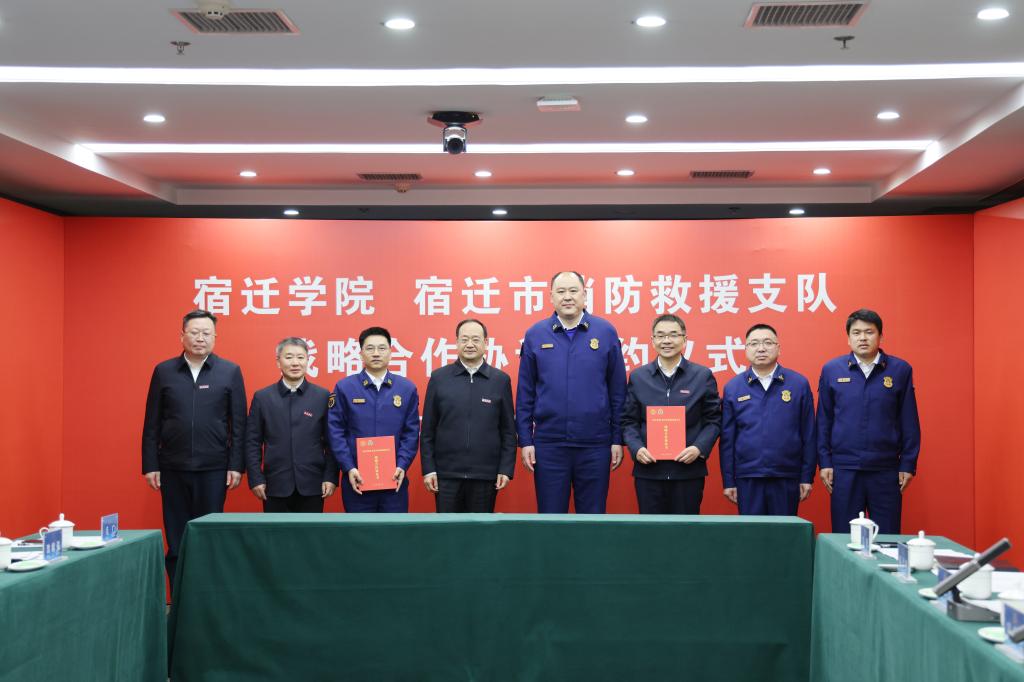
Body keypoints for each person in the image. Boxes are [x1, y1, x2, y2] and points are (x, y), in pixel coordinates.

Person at [141, 309, 246, 580]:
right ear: (182, 335)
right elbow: (152, 422)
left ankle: (207, 593)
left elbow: (238, 424)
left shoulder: (230, 371)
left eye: (206, 333)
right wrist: (150, 465)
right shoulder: (164, 371)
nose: (200, 338)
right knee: (176, 537)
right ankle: (179, 596)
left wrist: (236, 465)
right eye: (195, 332)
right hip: (172, 467)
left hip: (214, 468)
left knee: (210, 535)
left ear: (215, 337)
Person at [516, 271, 626, 513]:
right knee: (551, 518)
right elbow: (525, 393)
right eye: (561, 291)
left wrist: (617, 438)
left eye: (573, 291)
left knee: (593, 517)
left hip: (595, 444)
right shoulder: (535, 334)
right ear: (551, 297)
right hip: (549, 445)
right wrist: (525, 440)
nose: (567, 297)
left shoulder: (605, 332)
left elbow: (618, 392)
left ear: (585, 295)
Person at [817, 309, 921, 534]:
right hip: (844, 469)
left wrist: (908, 463)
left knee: (887, 536)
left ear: (880, 336)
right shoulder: (832, 370)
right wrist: (824, 462)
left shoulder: (900, 370)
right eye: (856, 333)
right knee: (845, 537)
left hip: (886, 469)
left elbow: (909, 420)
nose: (862, 338)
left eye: (869, 332)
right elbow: (824, 420)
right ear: (848, 338)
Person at [622, 314, 721, 514]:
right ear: (653, 341)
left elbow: (714, 420)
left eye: (673, 335)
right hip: (649, 471)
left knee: (686, 529)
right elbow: (628, 421)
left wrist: (698, 448)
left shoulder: (702, 376)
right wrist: (637, 448)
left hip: (688, 471)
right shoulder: (639, 377)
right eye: (660, 335)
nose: (667, 341)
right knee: (651, 529)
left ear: (684, 339)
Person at [421, 319, 516, 512]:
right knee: (446, 529)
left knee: (480, 529)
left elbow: (508, 431)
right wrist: (429, 469)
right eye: (464, 339)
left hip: (485, 476)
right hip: (446, 475)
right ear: (456, 342)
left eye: (475, 339)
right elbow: (428, 430)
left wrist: (505, 469)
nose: (470, 344)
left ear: (486, 343)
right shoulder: (439, 378)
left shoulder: (500, 380)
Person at [720, 324, 815, 515]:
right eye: (754, 343)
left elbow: (809, 434)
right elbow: (727, 440)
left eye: (768, 343)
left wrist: (807, 476)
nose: (761, 348)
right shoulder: (733, 387)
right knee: (752, 531)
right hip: (748, 476)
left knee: (784, 530)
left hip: (786, 474)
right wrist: (729, 481)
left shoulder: (798, 384)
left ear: (779, 348)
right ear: (746, 349)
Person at [327, 326, 419, 512]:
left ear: (391, 352)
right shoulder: (345, 387)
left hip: (394, 480)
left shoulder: (406, 388)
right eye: (370, 348)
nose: (376, 353)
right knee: (359, 530)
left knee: (394, 529)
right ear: (361, 353)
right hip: (356, 480)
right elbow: (335, 432)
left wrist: (402, 465)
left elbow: (411, 433)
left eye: (382, 348)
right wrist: (348, 467)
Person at [244, 337, 338, 513]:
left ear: (308, 361)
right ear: (278, 362)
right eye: (289, 357)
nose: (295, 363)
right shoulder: (263, 397)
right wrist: (256, 478)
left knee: (310, 531)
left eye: (301, 357)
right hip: (274, 484)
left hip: (313, 484)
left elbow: (332, 442)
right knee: (276, 531)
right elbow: (252, 442)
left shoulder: (322, 396)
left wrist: (330, 477)